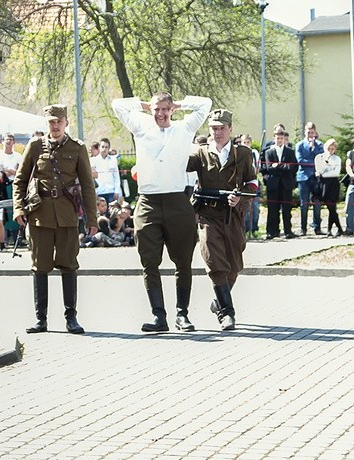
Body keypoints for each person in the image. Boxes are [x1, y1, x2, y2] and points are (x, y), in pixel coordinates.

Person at [112, 92, 211, 333]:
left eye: (165, 109)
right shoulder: (141, 126)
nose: (161, 114)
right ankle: (159, 316)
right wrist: (143, 105)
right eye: (157, 109)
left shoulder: (183, 129)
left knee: (183, 261)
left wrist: (180, 104)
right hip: (148, 201)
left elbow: (205, 105)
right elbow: (117, 106)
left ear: (172, 110)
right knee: (149, 261)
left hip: (177, 199)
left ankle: (182, 314)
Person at [13, 104, 97, 334]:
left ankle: (71, 318)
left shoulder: (78, 148)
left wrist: (92, 219)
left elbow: (88, 186)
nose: (56, 125)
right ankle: (41, 319)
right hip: (40, 216)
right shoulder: (35, 146)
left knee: (69, 265)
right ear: (46, 123)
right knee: (39, 267)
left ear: (66, 122)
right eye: (51, 121)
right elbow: (19, 181)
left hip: (68, 215)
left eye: (59, 121)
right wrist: (19, 209)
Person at [187, 109, 257, 331]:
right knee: (215, 262)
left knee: (234, 265)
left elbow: (253, 185)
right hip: (208, 214)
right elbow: (176, 165)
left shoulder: (243, 154)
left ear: (230, 129)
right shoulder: (200, 153)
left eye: (222, 128)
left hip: (233, 216)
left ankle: (219, 302)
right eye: (214, 128)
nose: (218, 132)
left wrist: (241, 198)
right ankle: (227, 314)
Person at [261, 129, 298, 239]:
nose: (280, 140)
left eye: (281, 138)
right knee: (272, 209)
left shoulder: (290, 151)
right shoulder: (269, 152)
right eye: (277, 138)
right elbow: (269, 168)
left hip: (286, 184)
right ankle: (272, 231)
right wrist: (282, 167)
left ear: (284, 139)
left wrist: (278, 166)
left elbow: (293, 167)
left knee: (286, 209)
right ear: (274, 139)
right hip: (273, 184)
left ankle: (288, 231)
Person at [295, 122, 324, 235]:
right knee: (304, 204)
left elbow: (321, 159)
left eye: (312, 132)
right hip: (303, 177)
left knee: (317, 203)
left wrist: (314, 148)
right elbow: (300, 161)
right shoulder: (300, 145)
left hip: (316, 177)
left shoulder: (320, 145)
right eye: (308, 132)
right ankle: (303, 228)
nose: (310, 135)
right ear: (305, 132)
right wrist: (314, 163)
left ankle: (317, 227)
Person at [314, 138, 344, 237]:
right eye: (329, 148)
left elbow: (336, 172)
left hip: (333, 184)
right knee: (330, 207)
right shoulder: (319, 157)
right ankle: (339, 228)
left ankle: (329, 229)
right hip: (323, 184)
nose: (331, 150)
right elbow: (319, 169)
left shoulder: (337, 159)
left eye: (333, 148)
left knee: (332, 207)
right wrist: (328, 165)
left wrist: (325, 169)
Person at [240, 134, 261, 239]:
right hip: (244, 185)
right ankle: (245, 230)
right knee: (246, 209)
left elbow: (258, 167)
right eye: (244, 142)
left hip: (254, 183)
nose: (246, 144)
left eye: (248, 142)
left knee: (255, 208)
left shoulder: (254, 153)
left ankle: (254, 229)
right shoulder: (239, 153)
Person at [90, 137, 121, 203]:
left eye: (106, 147)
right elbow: (91, 179)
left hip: (111, 192)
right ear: (99, 147)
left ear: (109, 148)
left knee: (112, 212)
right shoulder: (93, 161)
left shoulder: (113, 160)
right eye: (103, 147)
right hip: (99, 192)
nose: (104, 149)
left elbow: (116, 177)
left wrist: (116, 191)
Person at [345, 140, 354, 235]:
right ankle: (350, 228)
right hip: (353, 183)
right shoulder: (351, 154)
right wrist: (351, 174)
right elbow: (348, 165)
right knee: (349, 206)